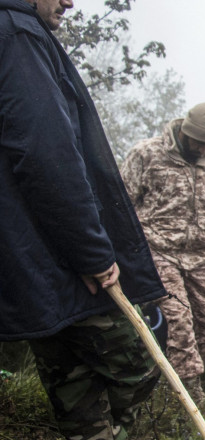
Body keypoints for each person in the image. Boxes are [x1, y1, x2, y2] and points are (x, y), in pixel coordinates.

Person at [0, 0, 167, 438]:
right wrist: (92, 252)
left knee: (77, 393)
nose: (71, 1)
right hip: (63, 261)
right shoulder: (19, 35)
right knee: (141, 367)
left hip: (31, 265)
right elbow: (45, 154)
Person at [121, 102, 205, 403]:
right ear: (185, 131)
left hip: (200, 257)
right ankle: (191, 395)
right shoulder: (148, 154)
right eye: (198, 141)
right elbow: (122, 203)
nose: (202, 148)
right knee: (179, 320)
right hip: (159, 251)